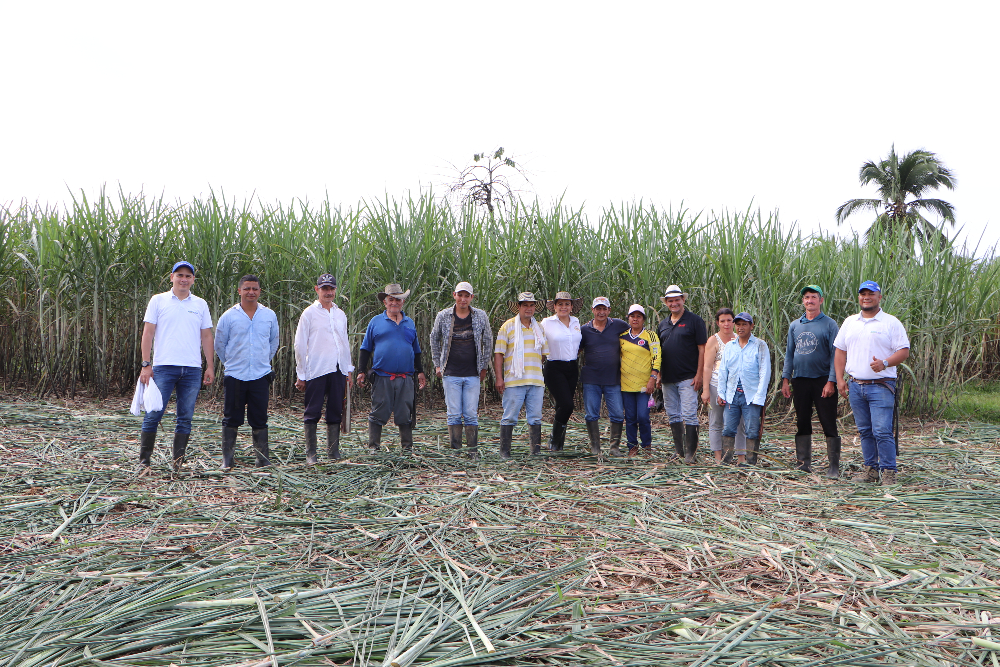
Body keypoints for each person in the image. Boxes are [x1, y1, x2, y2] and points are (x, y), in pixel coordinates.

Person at [137, 261, 215, 470]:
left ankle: (177, 463)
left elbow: (206, 335)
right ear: (171, 277)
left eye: (188, 276)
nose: (184, 279)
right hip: (164, 367)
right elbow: (148, 333)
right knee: (153, 413)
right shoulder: (158, 301)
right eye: (179, 275)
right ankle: (144, 462)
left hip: (192, 369)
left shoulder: (200, 304)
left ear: (193, 280)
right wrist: (146, 364)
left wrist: (210, 366)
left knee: (185, 417)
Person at [834, 281, 910, 486]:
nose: (866, 297)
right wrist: (840, 379)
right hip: (855, 386)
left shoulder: (890, 322)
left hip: (881, 386)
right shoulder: (850, 322)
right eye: (863, 294)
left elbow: (904, 351)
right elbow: (840, 351)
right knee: (865, 430)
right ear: (859, 297)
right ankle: (870, 471)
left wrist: (884, 363)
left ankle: (889, 473)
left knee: (882, 430)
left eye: (871, 294)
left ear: (879, 297)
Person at [215, 275, 280, 470]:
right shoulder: (229, 316)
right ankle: (228, 459)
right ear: (239, 291)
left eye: (255, 289)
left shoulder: (269, 315)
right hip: (235, 375)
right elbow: (220, 344)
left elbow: (273, 342)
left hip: (260, 375)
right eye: (247, 288)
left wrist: (262, 361)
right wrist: (232, 363)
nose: (251, 292)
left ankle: (262, 460)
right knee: (231, 418)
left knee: (260, 418)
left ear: (260, 291)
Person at [357, 283, 427, 452]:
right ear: (385, 302)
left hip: (406, 378)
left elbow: (416, 351)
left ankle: (407, 448)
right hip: (382, 377)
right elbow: (365, 348)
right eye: (391, 299)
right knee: (379, 411)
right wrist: (361, 371)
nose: (394, 303)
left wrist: (420, 372)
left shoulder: (409, 323)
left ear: (403, 302)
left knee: (405, 412)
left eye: (398, 299)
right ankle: (374, 447)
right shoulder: (376, 322)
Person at [294, 273, 354, 464]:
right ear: (317, 289)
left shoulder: (340, 314)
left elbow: (344, 343)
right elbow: (300, 345)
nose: (328, 292)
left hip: (338, 369)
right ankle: (311, 453)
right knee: (312, 411)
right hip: (316, 369)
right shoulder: (309, 314)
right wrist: (301, 373)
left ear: (335, 290)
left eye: (331, 289)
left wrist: (348, 369)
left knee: (335, 410)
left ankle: (333, 452)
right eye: (324, 288)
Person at [781, 285, 841, 476]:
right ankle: (803, 463)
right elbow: (789, 354)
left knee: (828, 422)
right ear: (803, 301)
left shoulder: (830, 324)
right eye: (806, 297)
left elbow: (836, 356)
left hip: (823, 380)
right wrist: (785, 379)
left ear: (821, 300)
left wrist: (832, 381)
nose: (810, 301)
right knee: (802, 421)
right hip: (800, 380)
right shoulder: (795, 326)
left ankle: (833, 467)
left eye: (814, 297)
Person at [430, 281, 493, 459]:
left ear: (472, 297)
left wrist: (484, 367)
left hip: (472, 373)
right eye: (460, 295)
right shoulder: (443, 316)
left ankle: (472, 451)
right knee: (454, 414)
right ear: (454, 295)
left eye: (467, 296)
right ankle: (457, 452)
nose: (463, 299)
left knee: (471, 414)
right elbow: (434, 339)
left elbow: (488, 340)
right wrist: (437, 364)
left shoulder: (480, 316)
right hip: (450, 372)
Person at [494, 292, 549, 459]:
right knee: (510, 416)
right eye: (525, 305)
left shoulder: (539, 328)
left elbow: (544, 354)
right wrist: (499, 378)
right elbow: (499, 353)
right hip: (514, 380)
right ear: (518, 307)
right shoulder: (508, 327)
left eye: (531, 305)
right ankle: (505, 453)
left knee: (535, 417)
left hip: (536, 380)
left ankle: (535, 452)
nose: (529, 308)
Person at [656, 284, 708, 463]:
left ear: (683, 300)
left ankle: (690, 454)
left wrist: (699, 375)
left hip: (688, 377)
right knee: (673, 414)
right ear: (666, 303)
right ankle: (679, 451)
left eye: (677, 300)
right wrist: (659, 374)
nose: (674, 303)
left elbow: (702, 350)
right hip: (668, 379)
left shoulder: (695, 321)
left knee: (689, 413)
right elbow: (659, 351)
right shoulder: (662, 324)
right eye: (670, 301)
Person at [717, 312, 770, 466]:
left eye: (744, 324)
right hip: (732, 395)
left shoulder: (760, 345)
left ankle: (751, 463)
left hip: (751, 395)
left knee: (752, 431)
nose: (740, 328)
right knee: (728, 429)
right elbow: (723, 371)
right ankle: (726, 462)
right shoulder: (730, 346)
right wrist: (721, 393)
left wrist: (759, 396)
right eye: (738, 324)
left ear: (751, 326)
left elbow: (764, 372)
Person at [579, 297, 629, 456]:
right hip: (591, 379)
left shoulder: (619, 325)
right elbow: (575, 350)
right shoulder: (584, 329)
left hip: (613, 379)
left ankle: (614, 447)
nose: (601, 312)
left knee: (617, 414)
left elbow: (634, 336)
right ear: (592, 310)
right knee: (591, 414)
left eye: (604, 309)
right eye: (598, 309)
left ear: (609, 310)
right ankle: (595, 447)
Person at [701, 308, 746, 463]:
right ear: (717, 323)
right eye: (722, 321)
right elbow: (707, 366)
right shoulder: (713, 341)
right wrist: (705, 389)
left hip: (736, 388)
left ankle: (740, 458)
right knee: (716, 421)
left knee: (739, 423)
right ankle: (718, 458)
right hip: (715, 385)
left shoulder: (739, 339)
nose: (726, 324)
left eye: (729, 320)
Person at [540, 291, 583, 452]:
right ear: (555, 306)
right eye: (560, 304)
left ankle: (559, 445)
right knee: (567, 405)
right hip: (554, 367)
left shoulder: (576, 322)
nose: (563, 307)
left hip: (572, 367)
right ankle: (553, 441)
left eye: (567, 304)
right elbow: (537, 340)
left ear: (572, 306)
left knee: (561, 405)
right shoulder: (546, 322)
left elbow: (577, 344)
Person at [619, 305, 661, 456]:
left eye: (639, 316)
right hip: (626, 384)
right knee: (630, 417)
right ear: (628, 318)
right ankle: (632, 446)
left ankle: (647, 445)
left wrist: (653, 378)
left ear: (643, 319)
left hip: (645, 384)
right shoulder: (622, 336)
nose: (635, 319)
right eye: (632, 316)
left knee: (643, 416)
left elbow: (657, 358)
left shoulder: (651, 335)